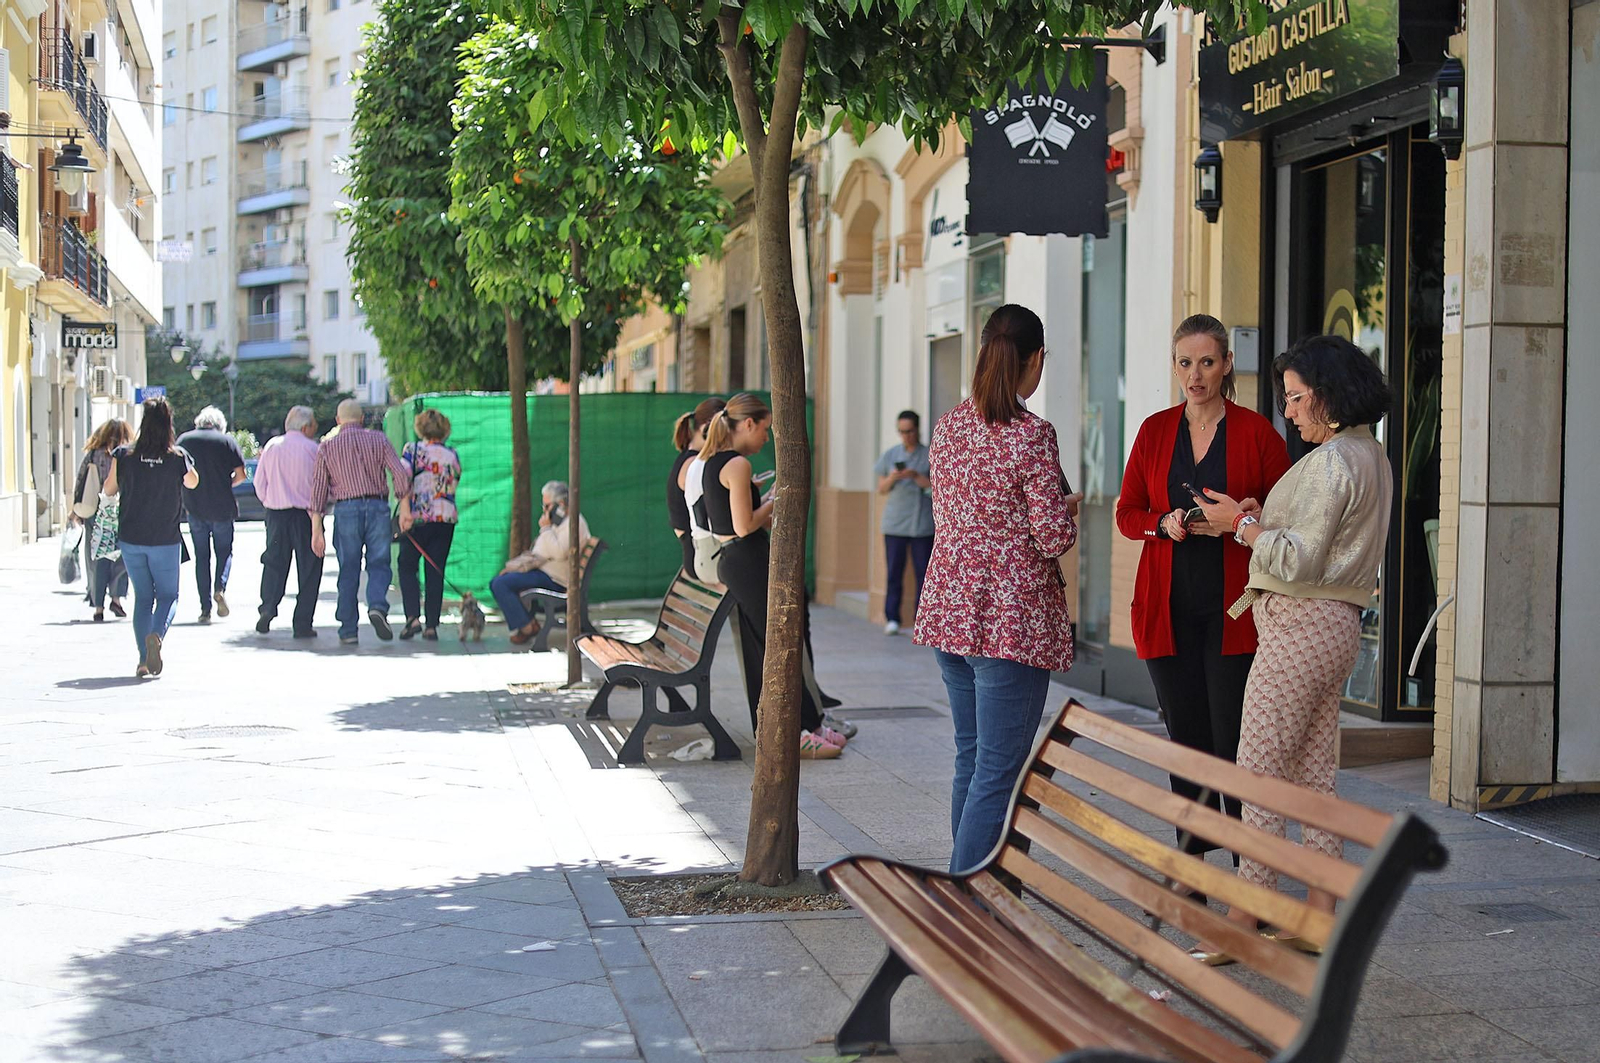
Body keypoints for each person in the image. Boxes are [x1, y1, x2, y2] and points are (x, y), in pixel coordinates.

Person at [1189, 334, 1394, 963]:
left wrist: (1240, 526)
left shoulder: (1335, 462)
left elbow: (1300, 558)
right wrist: (1259, 515)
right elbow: (1315, 541)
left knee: (1258, 772)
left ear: (1328, 397)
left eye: (1297, 398)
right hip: (1333, 627)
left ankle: (1249, 911)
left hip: (1301, 626)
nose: (1291, 412)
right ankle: (1320, 914)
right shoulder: (1367, 455)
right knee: (1311, 775)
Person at [1116, 315, 1290, 865]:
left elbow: (1282, 513)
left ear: (1226, 364)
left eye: (1207, 362)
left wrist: (1253, 513)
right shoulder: (1153, 430)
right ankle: (1191, 865)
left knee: (1235, 740)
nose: (1195, 375)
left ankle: (1247, 871)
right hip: (1167, 608)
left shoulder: (1256, 431)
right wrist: (1160, 523)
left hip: (1233, 610)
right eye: (1185, 363)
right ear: (1174, 366)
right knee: (1186, 743)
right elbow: (1126, 514)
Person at [913, 304, 1081, 873]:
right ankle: (967, 895)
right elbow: (1053, 536)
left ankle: (972, 882)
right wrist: (1065, 507)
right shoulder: (1033, 436)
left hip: (950, 611)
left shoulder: (948, 427)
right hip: (1010, 621)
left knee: (972, 758)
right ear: (1035, 360)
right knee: (997, 768)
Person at [698, 393, 846, 758]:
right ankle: (793, 733)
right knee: (779, 645)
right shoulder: (737, 465)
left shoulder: (715, 461)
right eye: (764, 429)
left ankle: (785, 729)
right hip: (746, 558)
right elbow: (743, 525)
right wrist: (776, 502)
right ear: (747, 424)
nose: (766, 438)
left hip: (737, 560)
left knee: (763, 647)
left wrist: (765, 498)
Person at [103, 397, 199, 677]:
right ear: (168, 423)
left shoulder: (124, 455)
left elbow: (109, 489)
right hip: (165, 538)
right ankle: (156, 636)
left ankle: (144, 660)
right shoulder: (177, 457)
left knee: (143, 598)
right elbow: (194, 482)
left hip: (131, 537)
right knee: (168, 596)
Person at [308, 399, 413, 645]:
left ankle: (347, 629)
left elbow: (318, 491)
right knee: (379, 563)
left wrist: (317, 528)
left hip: (345, 510)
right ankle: (377, 606)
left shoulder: (327, 446)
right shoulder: (379, 439)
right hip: (377, 507)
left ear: (338, 420)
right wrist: (405, 508)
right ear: (363, 419)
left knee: (348, 568)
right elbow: (399, 473)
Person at [490, 481, 591, 646]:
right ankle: (527, 624)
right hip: (545, 573)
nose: (544, 510)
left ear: (560, 504)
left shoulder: (574, 522)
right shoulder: (560, 521)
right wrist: (514, 568)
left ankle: (528, 626)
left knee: (500, 584)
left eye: (546, 505)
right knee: (499, 581)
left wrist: (545, 529)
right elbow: (541, 551)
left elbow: (558, 551)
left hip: (556, 579)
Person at [253, 406, 324, 638]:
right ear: (305, 427)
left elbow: (259, 484)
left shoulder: (272, 447)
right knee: (310, 568)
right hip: (305, 516)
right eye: (313, 425)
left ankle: (268, 608)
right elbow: (322, 487)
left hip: (276, 514)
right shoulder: (314, 449)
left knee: (274, 562)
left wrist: (269, 501)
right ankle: (302, 622)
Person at [396, 408, 462, 641]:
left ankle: (412, 618)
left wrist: (404, 509)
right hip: (445, 519)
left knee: (406, 565)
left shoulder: (412, 451)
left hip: (417, 519)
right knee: (435, 570)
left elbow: (401, 479)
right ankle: (432, 625)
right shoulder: (452, 455)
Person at [177, 406, 248, 622]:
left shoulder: (184, 441)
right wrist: (227, 483)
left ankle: (205, 609)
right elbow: (242, 474)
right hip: (222, 507)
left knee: (202, 558)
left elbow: (176, 471)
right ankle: (220, 587)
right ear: (219, 424)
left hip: (195, 507)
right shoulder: (226, 441)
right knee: (224, 552)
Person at [874, 409, 934, 636]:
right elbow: (881, 488)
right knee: (894, 572)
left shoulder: (928, 454)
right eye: (901, 432)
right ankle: (892, 617)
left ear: (917, 430)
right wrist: (893, 477)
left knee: (923, 573)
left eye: (909, 431)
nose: (905, 436)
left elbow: (936, 487)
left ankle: (921, 619)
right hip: (895, 524)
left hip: (921, 524)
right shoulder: (891, 455)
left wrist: (916, 477)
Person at [71, 418, 132, 622]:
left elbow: (81, 480)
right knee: (122, 556)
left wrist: (75, 509)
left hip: (96, 512)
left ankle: (98, 607)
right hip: (121, 511)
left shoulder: (93, 455)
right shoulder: (127, 455)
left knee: (98, 558)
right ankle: (116, 598)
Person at [669, 398, 726, 574]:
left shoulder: (689, 459)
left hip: (696, 552)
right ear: (707, 427)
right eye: (723, 428)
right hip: (701, 553)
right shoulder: (695, 463)